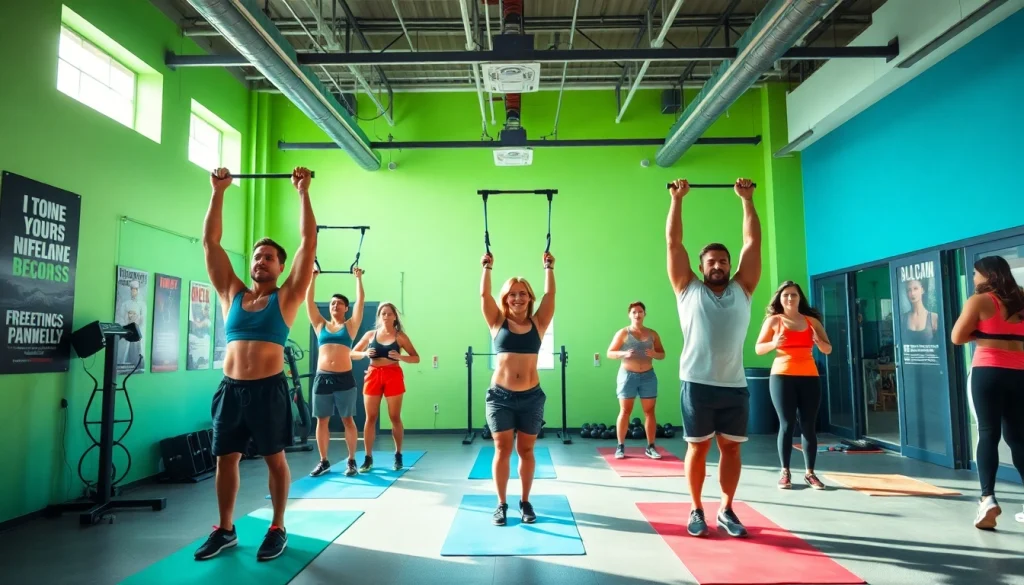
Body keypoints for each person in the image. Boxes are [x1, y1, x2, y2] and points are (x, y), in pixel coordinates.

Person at [194, 167, 317, 562]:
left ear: (281, 267)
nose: (262, 261)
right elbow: (210, 242)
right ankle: (225, 529)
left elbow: (308, 241)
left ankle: (277, 527)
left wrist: (302, 192)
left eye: (269, 257)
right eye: (258, 256)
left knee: (274, 460)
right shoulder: (231, 293)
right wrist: (218, 192)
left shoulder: (288, 296)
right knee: (224, 458)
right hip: (230, 390)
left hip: (268, 390)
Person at [666, 177, 760, 538]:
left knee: (731, 451)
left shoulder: (743, 288)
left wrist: (746, 200)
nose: (717, 265)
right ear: (702, 266)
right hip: (697, 383)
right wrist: (677, 200)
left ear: (729, 265)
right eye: (711, 261)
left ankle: (726, 509)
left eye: (722, 261)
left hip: (734, 385)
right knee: (698, 448)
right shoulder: (686, 288)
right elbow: (673, 243)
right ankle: (696, 508)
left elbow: (752, 242)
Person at [480, 251, 555, 526]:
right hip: (500, 397)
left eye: (523, 293)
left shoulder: (539, 323)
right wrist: (487, 268)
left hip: (531, 397)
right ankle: (501, 504)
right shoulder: (497, 322)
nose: (518, 298)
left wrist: (549, 267)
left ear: (529, 297)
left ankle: (525, 501)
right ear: (505, 298)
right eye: (512, 294)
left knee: (526, 450)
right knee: (502, 449)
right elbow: (484, 296)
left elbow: (550, 296)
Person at [951, 255, 1024, 530]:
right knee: (1018, 438)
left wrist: (981, 333)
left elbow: (957, 337)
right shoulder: (1021, 299)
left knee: (988, 434)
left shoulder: (979, 301)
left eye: (975, 273)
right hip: (1020, 374)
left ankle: (987, 499)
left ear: (988, 275)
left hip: (989, 371)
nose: (973, 278)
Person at [754, 281, 832, 490]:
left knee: (808, 425)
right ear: (780, 299)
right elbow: (758, 349)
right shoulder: (774, 321)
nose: (790, 298)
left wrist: (818, 342)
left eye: (793, 295)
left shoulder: (811, 321)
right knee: (787, 424)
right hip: (782, 376)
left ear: (799, 298)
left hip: (809, 377)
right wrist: (774, 343)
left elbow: (828, 349)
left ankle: (810, 473)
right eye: (786, 295)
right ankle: (785, 472)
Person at [306, 266, 364, 478]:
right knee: (322, 420)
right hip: (322, 378)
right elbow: (309, 302)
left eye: (339, 303)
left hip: (344, 378)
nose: (334, 305)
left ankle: (351, 460)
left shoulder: (350, 326)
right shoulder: (319, 325)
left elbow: (361, 303)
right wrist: (312, 279)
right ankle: (324, 461)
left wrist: (358, 278)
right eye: (332, 303)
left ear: (346, 308)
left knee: (348, 420)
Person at [351, 303, 419, 472]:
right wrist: (365, 353)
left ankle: (398, 454)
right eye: (383, 313)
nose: (386, 316)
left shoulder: (400, 336)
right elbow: (352, 353)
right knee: (370, 417)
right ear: (379, 316)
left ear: (395, 317)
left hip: (393, 375)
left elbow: (416, 358)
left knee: (394, 416)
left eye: (389, 314)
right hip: (373, 374)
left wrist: (400, 357)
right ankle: (368, 458)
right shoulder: (370, 335)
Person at [606, 301, 666, 459]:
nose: (637, 314)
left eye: (640, 311)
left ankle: (651, 447)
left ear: (644, 314)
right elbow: (610, 353)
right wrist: (624, 354)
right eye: (634, 312)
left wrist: (654, 354)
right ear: (629, 315)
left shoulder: (652, 334)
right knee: (625, 411)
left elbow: (662, 354)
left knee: (649, 412)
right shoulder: (623, 333)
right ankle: (620, 447)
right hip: (628, 376)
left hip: (648, 376)